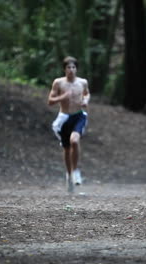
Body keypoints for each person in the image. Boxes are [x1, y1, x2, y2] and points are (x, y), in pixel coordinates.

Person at [48, 56, 90, 193]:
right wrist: (62, 97)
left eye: (73, 67)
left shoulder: (82, 82)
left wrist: (85, 101)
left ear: (76, 69)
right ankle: (69, 175)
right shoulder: (58, 83)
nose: (71, 70)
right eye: (68, 67)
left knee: (75, 141)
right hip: (64, 118)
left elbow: (87, 94)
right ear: (64, 69)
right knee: (67, 149)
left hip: (79, 116)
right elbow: (50, 101)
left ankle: (76, 170)